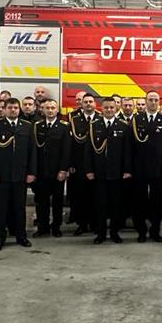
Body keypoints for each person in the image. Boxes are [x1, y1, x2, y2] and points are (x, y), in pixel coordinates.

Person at [0, 97, 36, 252]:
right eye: (10, 107)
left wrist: (31, 172)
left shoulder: (27, 126)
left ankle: (21, 236)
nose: (13, 110)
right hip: (1, 175)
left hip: (20, 175)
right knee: (0, 208)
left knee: (19, 208)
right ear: (4, 109)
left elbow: (32, 151)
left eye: (15, 107)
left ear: (19, 109)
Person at [85, 95, 132, 244]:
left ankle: (114, 233)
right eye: (106, 107)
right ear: (101, 108)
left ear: (116, 108)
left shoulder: (123, 126)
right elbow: (88, 150)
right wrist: (89, 170)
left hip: (117, 173)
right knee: (100, 204)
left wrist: (127, 170)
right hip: (99, 172)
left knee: (116, 205)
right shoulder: (94, 125)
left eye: (112, 107)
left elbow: (127, 151)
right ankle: (101, 234)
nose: (109, 110)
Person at [130, 91, 162, 242]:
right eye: (150, 99)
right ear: (145, 101)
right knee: (139, 201)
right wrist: (129, 168)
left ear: (159, 102)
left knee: (157, 202)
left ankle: (155, 231)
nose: (153, 102)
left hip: (158, 169)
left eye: (155, 100)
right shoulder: (136, 119)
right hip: (139, 168)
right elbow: (130, 146)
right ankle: (141, 231)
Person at [32, 99, 69, 237]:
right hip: (41, 171)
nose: (50, 110)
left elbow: (66, 151)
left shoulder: (64, 127)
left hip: (57, 171)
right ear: (42, 110)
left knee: (57, 201)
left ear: (57, 110)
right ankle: (43, 227)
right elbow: (34, 150)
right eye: (47, 108)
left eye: (53, 108)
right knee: (41, 201)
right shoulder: (37, 126)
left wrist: (63, 169)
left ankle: (56, 227)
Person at [68, 94, 97, 235]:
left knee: (96, 196)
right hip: (79, 165)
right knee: (80, 196)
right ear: (81, 104)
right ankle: (82, 224)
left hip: (96, 165)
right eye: (86, 102)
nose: (88, 104)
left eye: (91, 101)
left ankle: (95, 224)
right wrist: (70, 164)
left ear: (95, 104)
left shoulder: (100, 118)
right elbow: (70, 144)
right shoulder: (74, 120)